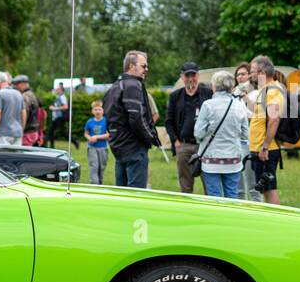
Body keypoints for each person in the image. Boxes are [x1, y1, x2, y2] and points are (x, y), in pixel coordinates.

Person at [102, 51, 158, 188]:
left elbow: (108, 119)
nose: (146, 70)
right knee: (136, 195)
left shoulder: (114, 86)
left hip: (118, 147)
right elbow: (137, 118)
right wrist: (150, 137)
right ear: (132, 66)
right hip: (133, 148)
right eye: (143, 66)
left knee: (123, 195)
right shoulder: (133, 85)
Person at [194, 70, 250, 199]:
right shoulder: (239, 106)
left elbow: (198, 133)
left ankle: (217, 219)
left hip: (211, 161)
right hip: (233, 161)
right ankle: (232, 219)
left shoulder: (207, 105)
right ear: (231, 87)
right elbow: (245, 134)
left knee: (215, 197)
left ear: (214, 87)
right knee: (232, 195)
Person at [165, 61, 212, 193]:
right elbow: (168, 121)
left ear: (198, 75)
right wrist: (175, 141)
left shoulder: (208, 93)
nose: (190, 78)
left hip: (204, 146)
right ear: (182, 77)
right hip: (184, 145)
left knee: (209, 184)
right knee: (185, 185)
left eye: (193, 75)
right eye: (187, 75)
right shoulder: (175, 96)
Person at [247, 55, 285, 205]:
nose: (250, 74)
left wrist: (265, 146)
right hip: (260, 148)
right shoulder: (264, 90)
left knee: (269, 188)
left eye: (252, 71)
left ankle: (276, 222)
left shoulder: (273, 91)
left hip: (266, 149)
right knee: (265, 188)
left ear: (262, 72)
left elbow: (274, 119)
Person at [0, 71, 24, 145]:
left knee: (4, 156)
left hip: (4, 133)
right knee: (16, 156)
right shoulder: (18, 93)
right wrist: (22, 129)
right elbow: (23, 113)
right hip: (18, 132)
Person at [83, 99, 110, 185]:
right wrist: (89, 138)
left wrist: (96, 137)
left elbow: (108, 135)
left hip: (102, 148)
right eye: (95, 109)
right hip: (92, 148)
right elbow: (86, 134)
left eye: (99, 109)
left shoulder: (106, 121)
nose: (98, 111)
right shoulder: (89, 122)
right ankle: (94, 185)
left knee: (101, 167)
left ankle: (100, 184)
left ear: (103, 111)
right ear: (92, 111)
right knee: (94, 166)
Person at [15, 75, 42, 146]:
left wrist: (20, 130)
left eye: (17, 84)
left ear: (23, 84)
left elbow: (24, 115)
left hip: (28, 133)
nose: (16, 86)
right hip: (34, 131)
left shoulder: (25, 96)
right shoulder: (32, 94)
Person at [48, 83, 69, 147]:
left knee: (51, 132)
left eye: (58, 89)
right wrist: (52, 106)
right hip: (57, 117)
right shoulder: (58, 97)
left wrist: (54, 108)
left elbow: (66, 107)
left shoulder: (63, 97)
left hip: (59, 117)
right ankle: (75, 141)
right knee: (61, 132)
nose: (56, 90)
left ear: (61, 90)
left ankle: (51, 146)